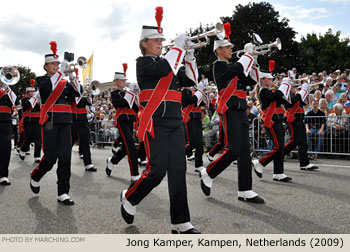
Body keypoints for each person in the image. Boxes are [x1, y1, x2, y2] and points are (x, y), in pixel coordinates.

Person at [120, 12, 200, 233]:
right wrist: (178, 48)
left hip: (175, 121)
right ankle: (130, 196)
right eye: (156, 40)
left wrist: (190, 56)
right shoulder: (143, 63)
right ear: (143, 44)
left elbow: (192, 80)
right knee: (156, 171)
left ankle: (180, 221)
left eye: (162, 41)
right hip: (155, 122)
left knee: (178, 170)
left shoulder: (171, 63)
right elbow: (163, 69)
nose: (160, 43)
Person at [199, 37, 264, 203]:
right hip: (229, 109)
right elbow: (235, 69)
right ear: (218, 50)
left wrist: (254, 60)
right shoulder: (218, 66)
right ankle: (209, 172)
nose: (230, 49)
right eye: (227, 47)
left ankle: (245, 189)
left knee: (244, 153)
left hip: (241, 109)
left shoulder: (235, 67)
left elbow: (252, 80)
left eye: (230, 47)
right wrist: (247, 55)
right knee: (233, 149)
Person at [30, 42, 82, 205]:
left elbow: (78, 94)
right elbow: (46, 90)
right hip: (50, 122)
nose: (56, 66)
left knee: (65, 158)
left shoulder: (64, 82)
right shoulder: (42, 81)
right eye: (53, 63)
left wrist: (72, 77)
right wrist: (60, 74)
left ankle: (63, 192)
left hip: (66, 122)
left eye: (58, 64)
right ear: (46, 66)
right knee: (50, 158)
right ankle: (36, 176)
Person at [252, 75, 292, 182]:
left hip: (278, 121)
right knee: (278, 147)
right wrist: (284, 85)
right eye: (268, 79)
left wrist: (285, 88)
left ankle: (278, 173)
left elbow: (286, 101)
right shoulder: (263, 91)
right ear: (262, 80)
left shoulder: (272, 91)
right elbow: (276, 95)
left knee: (281, 148)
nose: (271, 80)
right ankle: (260, 163)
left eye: (271, 79)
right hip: (271, 122)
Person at [105, 69, 140, 184]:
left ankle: (112, 161)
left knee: (126, 147)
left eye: (125, 80)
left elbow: (136, 108)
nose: (124, 82)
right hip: (122, 120)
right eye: (122, 80)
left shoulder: (128, 92)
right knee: (130, 146)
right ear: (116, 81)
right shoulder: (115, 93)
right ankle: (135, 174)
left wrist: (136, 96)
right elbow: (119, 104)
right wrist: (131, 94)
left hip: (130, 120)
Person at [283, 85, 318, 170]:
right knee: (294, 141)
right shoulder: (286, 95)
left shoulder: (297, 95)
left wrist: (307, 92)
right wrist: (302, 91)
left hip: (300, 120)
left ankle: (304, 163)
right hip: (292, 121)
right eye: (292, 87)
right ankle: (278, 154)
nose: (294, 88)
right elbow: (293, 100)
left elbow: (304, 103)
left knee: (303, 143)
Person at [182, 85, 207, 172]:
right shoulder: (183, 92)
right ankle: (178, 155)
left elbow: (202, 103)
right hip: (189, 119)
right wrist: (200, 91)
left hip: (197, 119)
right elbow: (192, 101)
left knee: (199, 143)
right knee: (193, 143)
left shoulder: (194, 93)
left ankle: (199, 164)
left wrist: (203, 93)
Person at [71, 91, 97, 172]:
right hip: (73, 121)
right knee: (69, 142)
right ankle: (65, 162)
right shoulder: (70, 96)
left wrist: (89, 94)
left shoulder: (83, 98)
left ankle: (88, 164)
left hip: (83, 121)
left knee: (85, 141)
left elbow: (90, 103)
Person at [18, 79, 42, 163]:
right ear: (28, 92)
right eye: (32, 92)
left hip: (37, 120)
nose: (33, 93)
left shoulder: (39, 100)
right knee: (28, 138)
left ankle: (37, 156)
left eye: (34, 92)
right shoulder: (24, 99)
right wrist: (34, 98)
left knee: (38, 139)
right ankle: (23, 149)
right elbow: (26, 106)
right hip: (28, 121)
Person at [0, 76, 17, 186]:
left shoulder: (7, 92)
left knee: (5, 148)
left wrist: (7, 87)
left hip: (5, 121)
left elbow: (14, 100)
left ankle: (3, 175)